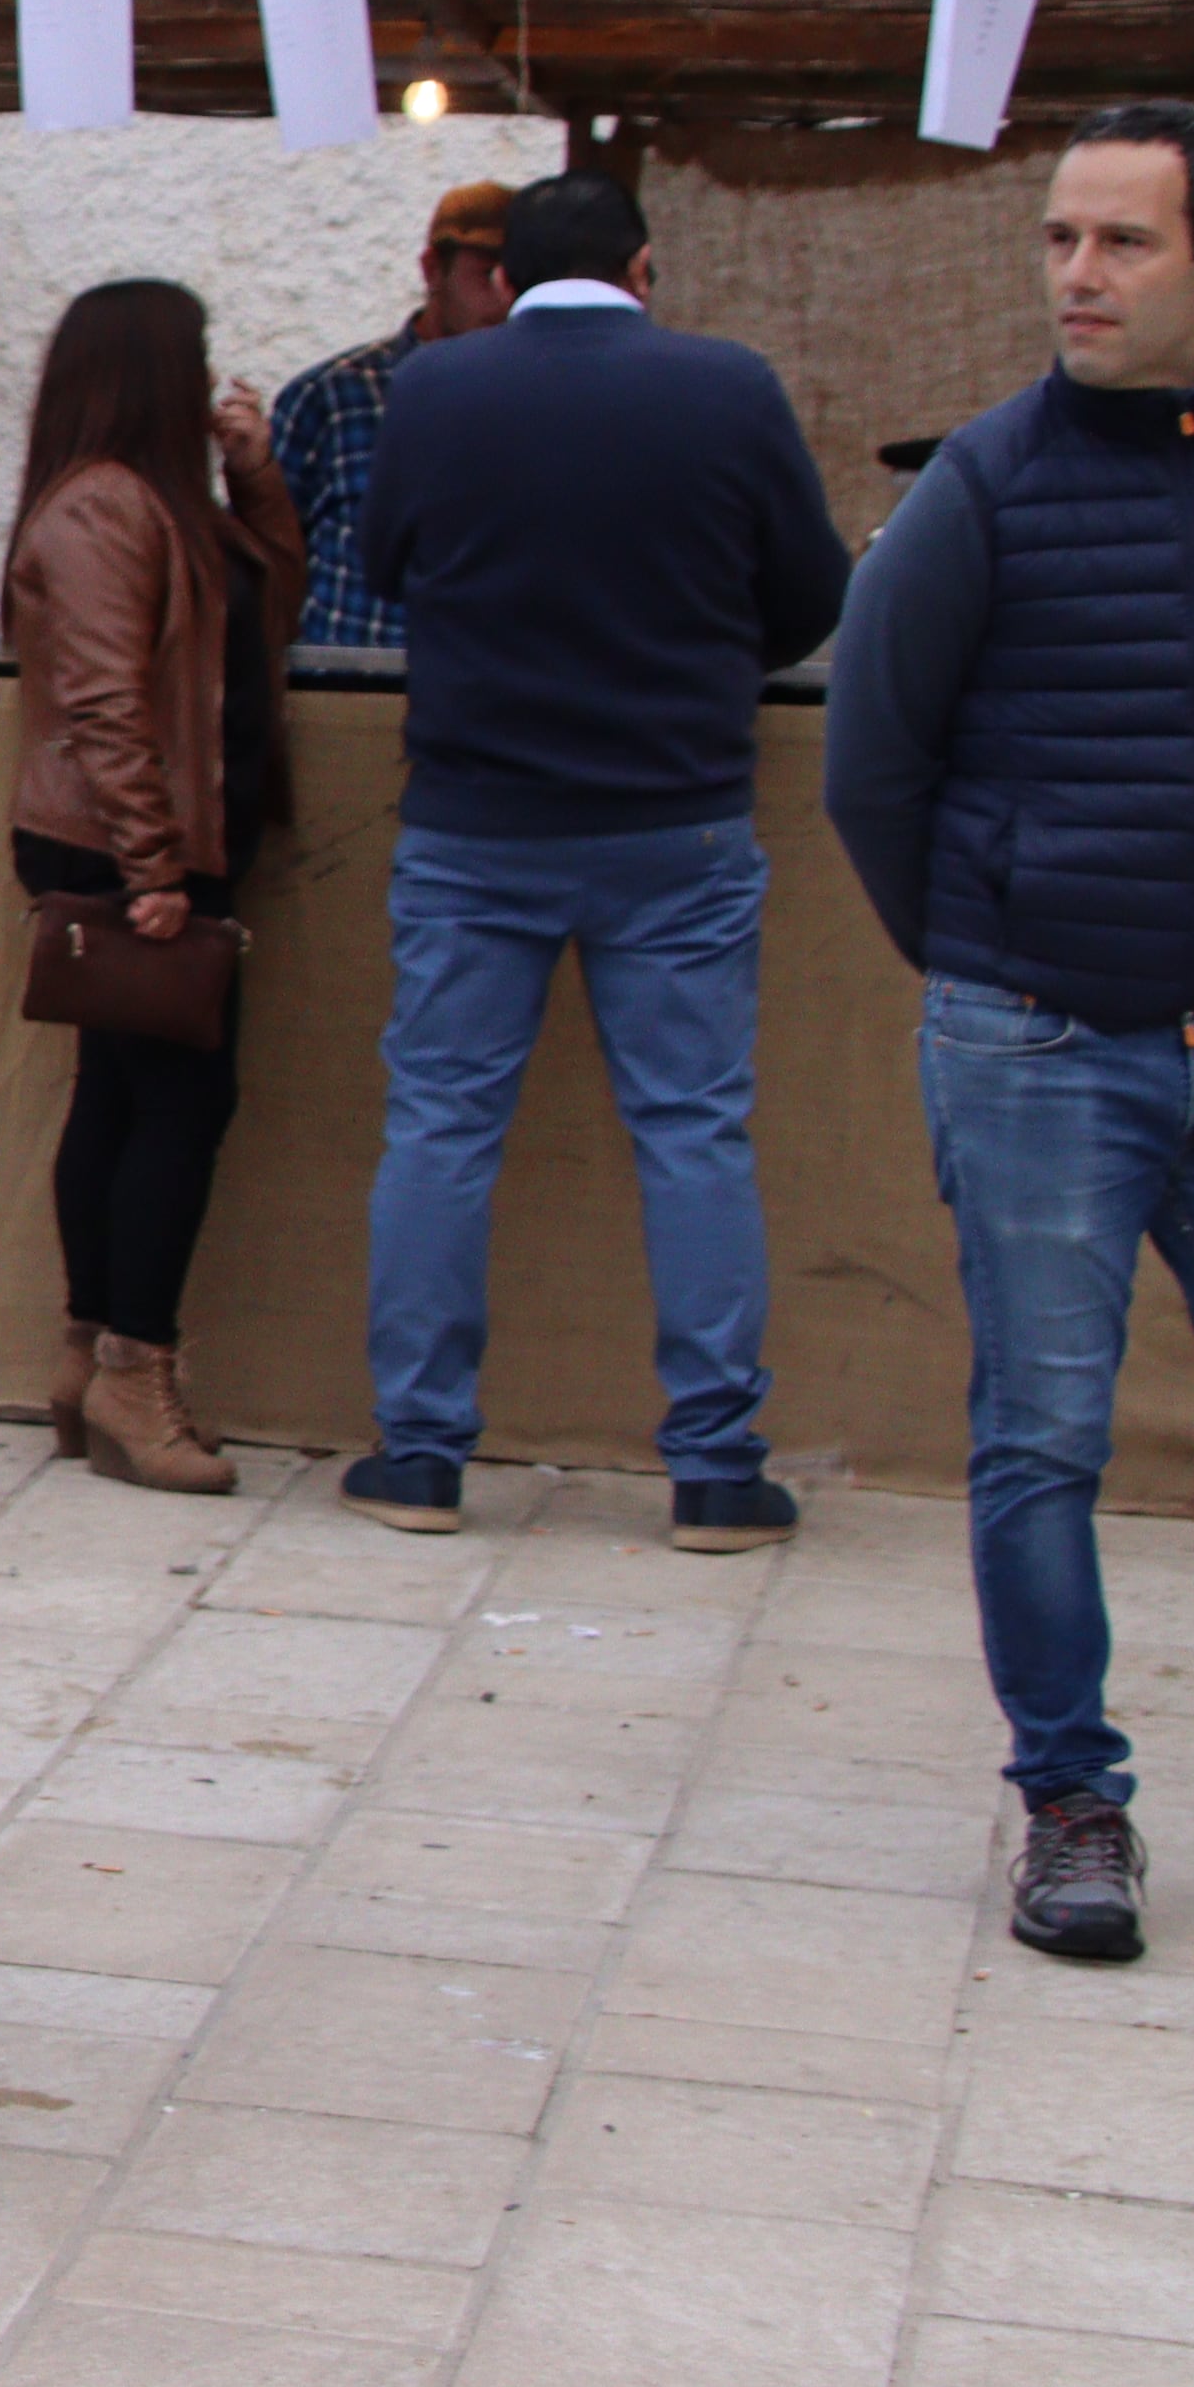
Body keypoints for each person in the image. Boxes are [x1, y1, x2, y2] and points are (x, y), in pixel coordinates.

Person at [824, 100, 1194, 1968]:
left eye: (1122, 243)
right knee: (1043, 1438)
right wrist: (1002, 944)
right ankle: (1072, 1800)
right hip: (1041, 1041)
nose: (1078, 274)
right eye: (1062, 238)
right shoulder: (979, 491)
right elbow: (872, 768)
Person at [343, 172, 848, 1545]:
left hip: (475, 823)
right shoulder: (729, 388)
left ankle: (423, 1454)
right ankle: (716, 1470)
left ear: (499, 283)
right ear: (644, 269)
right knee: (692, 1134)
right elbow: (815, 594)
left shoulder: (439, 391)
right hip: (673, 823)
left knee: (444, 1127)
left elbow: (384, 563)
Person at [1, 278, 297, 1495]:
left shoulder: (154, 503)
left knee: (123, 1098)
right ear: (149, 372)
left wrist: (253, 480)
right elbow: (104, 701)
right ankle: (131, 1368)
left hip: (156, 839)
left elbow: (267, 609)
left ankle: (88, 1355)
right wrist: (151, 865)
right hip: (129, 844)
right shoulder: (100, 510)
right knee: (180, 1104)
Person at [267, 181, 516, 650]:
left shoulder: (539, 402)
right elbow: (263, 558)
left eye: (517, 282)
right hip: (345, 689)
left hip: (481, 692)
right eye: (486, 275)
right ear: (431, 270)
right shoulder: (332, 397)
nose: (503, 299)